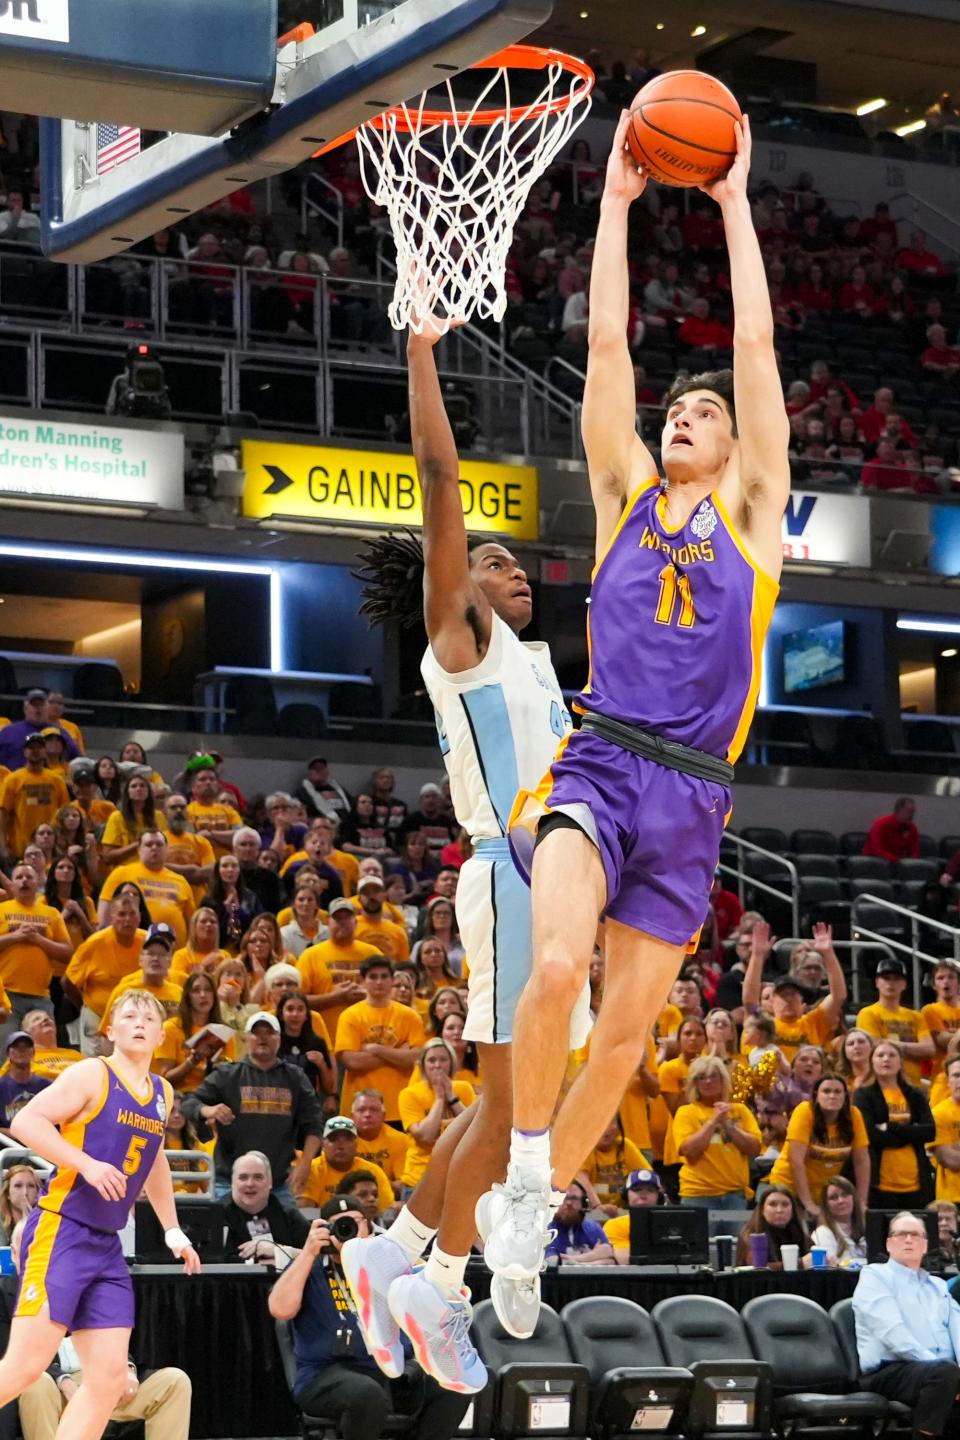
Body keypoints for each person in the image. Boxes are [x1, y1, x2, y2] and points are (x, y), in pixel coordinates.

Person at [478, 111, 789, 1314]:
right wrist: (611, 203)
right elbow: (607, 346)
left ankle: (531, 1220)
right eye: (678, 413)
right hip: (601, 762)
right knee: (556, 963)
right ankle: (520, 1177)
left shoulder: (754, 523)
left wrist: (729, 202)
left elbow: (755, 343)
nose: (683, 418)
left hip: (696, 792)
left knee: (625, 1042)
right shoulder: (621, 501)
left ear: (734, 447)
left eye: (701, 417)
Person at [343, 306, 589, 1390]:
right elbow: (442, 483)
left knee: (503, 1102)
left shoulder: (535, 666)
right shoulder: (464, 642)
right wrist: (422, 353)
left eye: (515, 561)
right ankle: (438, 1283)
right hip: (510, 873)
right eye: (491, 561)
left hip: (548, 878)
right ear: (457, 589)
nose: (510, 566)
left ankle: (396, 1252)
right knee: (515, 1106)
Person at [0, 991, 200, 1439]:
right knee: (24, 1368)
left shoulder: (162, 1092)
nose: (140, 1021)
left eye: (149, 1016)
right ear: (110, 1029)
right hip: (62, 1229)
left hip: (106, 1243)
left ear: (161, 1034)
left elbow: (155, 1159)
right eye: (128, 1015)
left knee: (109, 1380)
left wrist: (173, 1230)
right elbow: (28, 1122)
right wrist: (86, 1164)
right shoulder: (93, 1073)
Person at [269, 1197, 470, 1436]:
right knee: (367, 1393)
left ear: (368, 1227)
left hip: (393, 1370)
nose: (347, 1232)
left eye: (354, 1223)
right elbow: (280, 1309)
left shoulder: (389, 1266)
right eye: (338, 1225)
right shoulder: (309, 1267)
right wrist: (308, 1252)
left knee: (455, 1383)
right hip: (325, 1373)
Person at [182, 1010, 323, 1201]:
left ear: (279, 1039)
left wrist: (305, 1164)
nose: (263, 1038)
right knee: (222, 1231)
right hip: (229, 1182)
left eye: (269, 1033)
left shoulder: (295, 1077)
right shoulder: (227, 1074)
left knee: (286, 1231)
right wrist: (209, 1110)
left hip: (278, 1184)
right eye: (257, 1033)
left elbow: (314, 1124)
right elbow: (188, 1103)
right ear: (247, 1038)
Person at [853, 1211, 960, 1431]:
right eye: (901, 1234)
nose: (909, 1239)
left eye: (915, 1235)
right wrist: (937, 1365)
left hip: (940, 1372)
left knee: (946, 1374)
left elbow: (957, 1330)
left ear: (925, 1245)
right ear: (889, 1244)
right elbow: (893, 1334)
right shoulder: (875, 1276)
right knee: (943, 1374)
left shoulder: (938, 1285)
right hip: (890, 1371)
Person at [767, 1072, 871, 1219]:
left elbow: (862, 1161)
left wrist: (861, 1201)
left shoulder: (854, 1115)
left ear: (845, 1097)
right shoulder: (805, 1111)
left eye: (837, 1092)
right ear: (816, 1095)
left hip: (823, 1191)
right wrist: (808, 1203)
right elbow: (796, 1161)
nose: (832, 1096)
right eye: (826, 1091)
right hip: (788, 1187)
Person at [335, 957, 425, 1124]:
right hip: (359, 1108)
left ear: (392, 980)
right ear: (363, 981)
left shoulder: (410, 1016)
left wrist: (377, 1050)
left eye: (384, 976)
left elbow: (416, 1058)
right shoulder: (350, 1016)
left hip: (400, 1106)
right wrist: (399, 1053)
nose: (379, 982)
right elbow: (352, 1062)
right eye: (373, 977)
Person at [742, 922, 846, 1061]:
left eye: (793, 994)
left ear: (802, 1001)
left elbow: (838, 996)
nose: (789, 999)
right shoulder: (762, 1025)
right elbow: (749, 1001)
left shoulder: (813, 1023)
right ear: (771, 1001)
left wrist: (828, 954)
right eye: (783, 995)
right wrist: (757, 956)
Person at [853, 1040, 935, 1210]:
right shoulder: (863, 1095)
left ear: (900, 1062)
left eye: (892, 1055)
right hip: (880, 1184)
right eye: (880, 1055)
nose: (886, 1059)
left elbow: (929, 1132)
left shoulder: (915, 1094)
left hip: (916, 1183)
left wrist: (891, 1127)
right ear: (872, 1061)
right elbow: (871, 1136)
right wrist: (911, 1133)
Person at [673, 1056, 762, 1209]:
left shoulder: (740, 1111)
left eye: (714, 1076)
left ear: (723, 1080)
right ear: (695, 1083)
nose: (708, 1081)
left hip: (735, 1194)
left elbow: (755, 1148)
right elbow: (689, 1150)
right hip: (698, 1194)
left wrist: (729, 1126)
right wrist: (713, 1121)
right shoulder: (686, 1112)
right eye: (702, 1077)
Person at [63, 894, 145, 1055]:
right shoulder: (94, 943)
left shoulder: (147, 941)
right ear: (111, 917)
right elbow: (68, 981)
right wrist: (84, 1006)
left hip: (134, 1019)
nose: (127, 919)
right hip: (97, 1015)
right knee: (95, 1067)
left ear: (139, 917)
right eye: (122, 914)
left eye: (132, 914)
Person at [397, 1039, 476, 1196]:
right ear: (423, 1065)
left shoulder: (464, 1088)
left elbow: (473, 1129)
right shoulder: (409, 1094)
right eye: (432, 1060)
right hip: (420, 1179)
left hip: (458, 1175)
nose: (437, 1065)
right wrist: (440, 1098)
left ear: (451, 1063)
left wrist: (452, 1097)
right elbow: (425, 1135)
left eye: (443, 1060)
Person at [98, 831, 195, 950]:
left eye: (159, 844)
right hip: (130, 950)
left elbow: (191, 924)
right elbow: (103, 918)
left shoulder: (181, 881)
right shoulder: (120, 873)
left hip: (174, 955)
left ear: (167, 849)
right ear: (139, 849)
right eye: (149, 844)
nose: (154, 848)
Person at [856, 958, 934, 1088]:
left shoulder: (916, 1016)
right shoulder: (867, 1013)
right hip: (882, 1085)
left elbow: (929, 1049)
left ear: (904, 984)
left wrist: (892, 1044)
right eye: (886, 978)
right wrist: (912, 1048)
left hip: (913, 1085)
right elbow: (874, 1048)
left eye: (896, 979)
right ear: (877, 982)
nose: (891, 983)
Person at [221, 1150, 310, 1264]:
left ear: (270, 1182)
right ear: (232, 1182)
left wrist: (280, 1252)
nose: (250, 1184)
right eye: (243, 1177)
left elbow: (318, 1256)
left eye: (258, 1177)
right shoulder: (216, 1216)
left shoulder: (288, 1215)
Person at [298, 1117, 395, 1214]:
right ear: (323, 1144)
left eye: (347, 1140)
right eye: (333, 1139)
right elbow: (305, 1213)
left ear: (356, 1145)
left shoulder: (372, 1171)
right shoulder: (311, 1170)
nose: (340, 1146)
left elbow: (386, 1211)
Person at [0, 736, 70, 864]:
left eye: (39, 747)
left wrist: (64, 842)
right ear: (24, 752)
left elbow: (64, 814)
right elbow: (3, 817)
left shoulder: (56, 780)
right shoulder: (12, 780)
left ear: (45, 751)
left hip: (51, 850)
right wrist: (3, 846)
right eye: (31, 747)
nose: (35, 750)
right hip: (20, 850)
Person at [351, 1090, 413, 1194]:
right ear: (352, 1116)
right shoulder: (341, 1139)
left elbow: (404, 1185)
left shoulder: (400, 1140)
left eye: (374, 1110)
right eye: (361, 1110)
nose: (367, 1114)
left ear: (384, 1115)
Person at [735, 1185, 810, 1268]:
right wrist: (800, 1264)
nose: (779, 1210)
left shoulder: (800, 1234)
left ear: (793, 1210)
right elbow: (757, 1268)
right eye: (772, 1204)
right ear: (762, 1210)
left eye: (785, 1204)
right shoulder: (751, 1235)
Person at [544, 1182, 614, 1266]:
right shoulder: (545, 1229)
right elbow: (552, 1262)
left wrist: (574, 1261)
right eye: (564, 1198)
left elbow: (610, 1260)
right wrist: (593, 1256)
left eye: (574, 1198)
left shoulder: (593, 1228)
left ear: (583, 1203)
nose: (569, 1203)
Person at [603, 1168, 663, 1261]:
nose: (643, 1195)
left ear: (659, 1197)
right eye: (637, 1189)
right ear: (626, 1195)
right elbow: (624, 1260)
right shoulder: (615, 1225)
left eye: (650, 1190)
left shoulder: (671, 1224)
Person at [809, 1176, 868, 1268]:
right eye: (833, 1198)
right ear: (826, 1205)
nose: (841, 1201)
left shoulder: (869, 1227)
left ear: (853, 1198)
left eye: (844, 1195)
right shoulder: (822, 1233)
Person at [0, 1034, 52, 1134]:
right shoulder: (1, 1087)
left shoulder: (47, 1086)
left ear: (33, 1052)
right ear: (8, 1053)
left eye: (26, 1046)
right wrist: (14, 1133)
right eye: (16, 1047)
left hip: (42, 1142)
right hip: (10, 1145)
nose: (22, 1050)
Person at [932, 1054, 960, 1204]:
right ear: (948, 1081)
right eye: (956, 1075)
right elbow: (950, 1160)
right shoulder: (939, 1113)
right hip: (952, 1200)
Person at [863, 799, 920, 863]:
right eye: (909, 811)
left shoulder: (912, 827)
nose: (912, 815)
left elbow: (914, 850)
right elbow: (876, 849)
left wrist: (914, 861)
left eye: (913, 812)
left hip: (898, 861)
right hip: (877, 861)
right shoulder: (881, 824)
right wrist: (896, 860)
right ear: (898, 810)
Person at [0, 1163, 38, 1243]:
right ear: (7, 1193)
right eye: (18, 1186)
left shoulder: (45, 1221)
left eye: (31, 1186)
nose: (25, 1192)